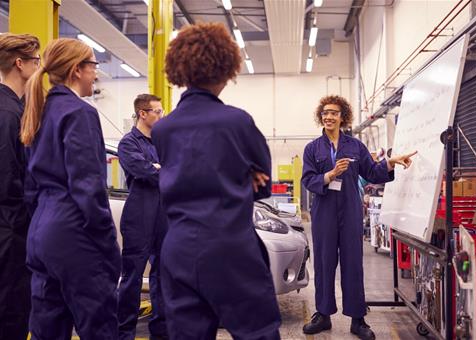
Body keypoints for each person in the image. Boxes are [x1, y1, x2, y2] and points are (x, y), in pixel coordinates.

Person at [152, 22, 281, 339]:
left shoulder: (163, 129)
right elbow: (263, 185)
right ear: (226, 69)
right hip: (230, 248)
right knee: (257, 332)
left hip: (178, 249)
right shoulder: (237, 122)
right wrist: (243, 176)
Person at [20, 38, 121, 339]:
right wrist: (107, 241)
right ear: (77, 70)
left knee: (46, 328)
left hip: (41, 232)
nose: (96, 74)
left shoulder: (38, 110)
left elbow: (29, 186)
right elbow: (88, 186)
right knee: (98, 325)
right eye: (93, 67)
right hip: (74, 232)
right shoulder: (79, 112)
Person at [301, 95, 416, 339]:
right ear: (320, 116)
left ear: (343, 117)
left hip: (351, 210)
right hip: (323, 211)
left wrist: (390, 163)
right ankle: (323, 314)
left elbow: (372, 173)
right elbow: (308, 180)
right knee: (323, 263)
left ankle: (357, 318)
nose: (329, 116)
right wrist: (331, 174)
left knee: (353, 263)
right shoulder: (313, 148)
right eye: (325, 112)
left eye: (334, 112)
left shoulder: (355, 146)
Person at [0, 33, 40, 340]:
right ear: (20, 64)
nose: (39, 67)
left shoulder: (13, 108)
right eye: (36, 61)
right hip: (10, 230)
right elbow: (8, 178)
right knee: (12, 310)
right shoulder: (9, 113)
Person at [118, 94, 168, 340]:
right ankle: (124, 332)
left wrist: (159, 169)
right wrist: (158, 169)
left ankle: (160, 332)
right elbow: (143, 171)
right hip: (139, 216)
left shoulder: (163, 143)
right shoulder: (128, 143)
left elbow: (174, 170)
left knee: (163, 276)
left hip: (164, 216)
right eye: (157, 111)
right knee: (132, 277)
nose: (161, 116)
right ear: (143, 113)